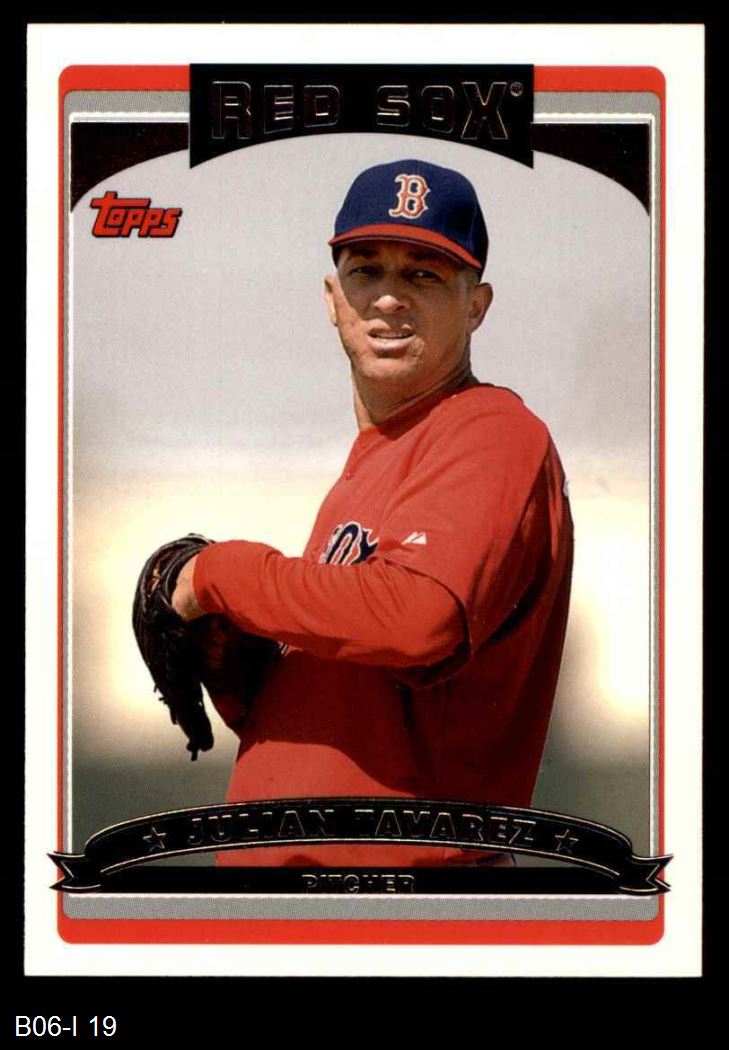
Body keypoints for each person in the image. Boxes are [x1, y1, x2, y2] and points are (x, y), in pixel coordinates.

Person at [171, 158, 574, 866]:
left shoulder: (492, 431)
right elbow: (358, 721)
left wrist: (219, 575)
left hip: (403, 892)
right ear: (333, 297)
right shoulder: (369, 467)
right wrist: (241, 675)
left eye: (423, 274)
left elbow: (417, 619)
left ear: (476, 305)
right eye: (367, 271)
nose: (389, 297)